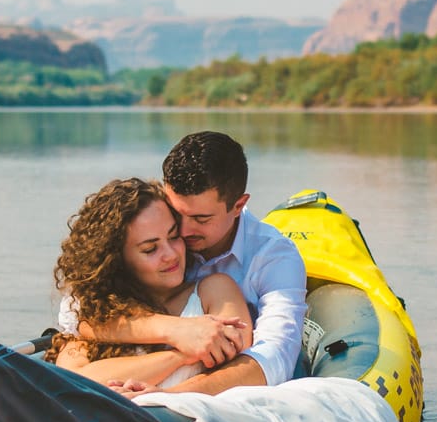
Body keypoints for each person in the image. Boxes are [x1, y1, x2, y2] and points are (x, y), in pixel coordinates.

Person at [58, 131, 308, 395]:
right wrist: (176, 332)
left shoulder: (274, 259)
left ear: (238, 206)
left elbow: (272, 358)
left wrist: (166, 397)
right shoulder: (155, 225)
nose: (184, 232)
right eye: (177, 214)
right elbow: (78, 315)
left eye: (201, 219)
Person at [51, 178, 252, 391]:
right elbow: (76, 379)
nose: (171, 254)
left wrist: (166, 396)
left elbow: (241, 365)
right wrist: (181, 354)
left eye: (174, 236)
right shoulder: (99, 316)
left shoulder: (214, 291)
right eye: (150, 249)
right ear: (117, 262)